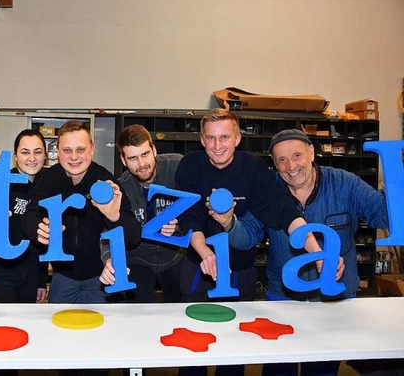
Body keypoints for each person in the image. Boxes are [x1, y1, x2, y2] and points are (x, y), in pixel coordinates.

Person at [174, 109, 338, 376]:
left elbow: (283, 211)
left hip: (240, 271)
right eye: (211, 138)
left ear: (238, 138)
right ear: (202, 140)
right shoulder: (190, 167)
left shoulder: (253, 168)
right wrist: (205, 254)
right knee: (193, 348)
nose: (218, 146)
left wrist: (318, 254)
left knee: (234, 351)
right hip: (199, 268)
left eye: (225, 137)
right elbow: (189, 217)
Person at [227, 128, 389, 376]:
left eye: (297, 155)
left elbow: (382, 214)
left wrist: (396, 193)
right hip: (283, 300)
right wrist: (229, 223)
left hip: (334, 301)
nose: (290, 166)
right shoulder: (268, 191)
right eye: (282, 159)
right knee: (279, 370)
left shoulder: (345, 183)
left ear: (312, 152)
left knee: (322, 371)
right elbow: (248, 235)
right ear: (274, 163)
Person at [22, 120, 142, 304]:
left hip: (102, 277)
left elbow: (133, 235)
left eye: (80, 149)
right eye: (67, 150)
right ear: (57, 151)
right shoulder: (48, 180)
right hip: (62, 278)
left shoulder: (107, 182)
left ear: (92, 148)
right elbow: (30, 215)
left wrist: (114, 216)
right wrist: (38, 228)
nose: (74, 157)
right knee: (58, 331)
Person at [99, 124, 184, 303]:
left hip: (175, 256)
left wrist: (180, 224)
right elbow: (108, 231)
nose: (142, 164)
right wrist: (109, 260)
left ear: (154, 149)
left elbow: (197, 210)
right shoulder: (121, 187)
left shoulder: (177, 167)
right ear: (123, 160)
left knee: (182, 310)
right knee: (137, 314)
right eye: (133, 158)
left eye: (145, 154)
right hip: (138, 259)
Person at [0, 129, 49, 303]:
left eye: (38, 152)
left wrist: (41, 280)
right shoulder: (0, 182)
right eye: (25, 152)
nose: (32, 158)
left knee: (26, 324)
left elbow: (44, 240)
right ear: (16, 156)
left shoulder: (49, 185)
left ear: (45, 156)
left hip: (31, 271)